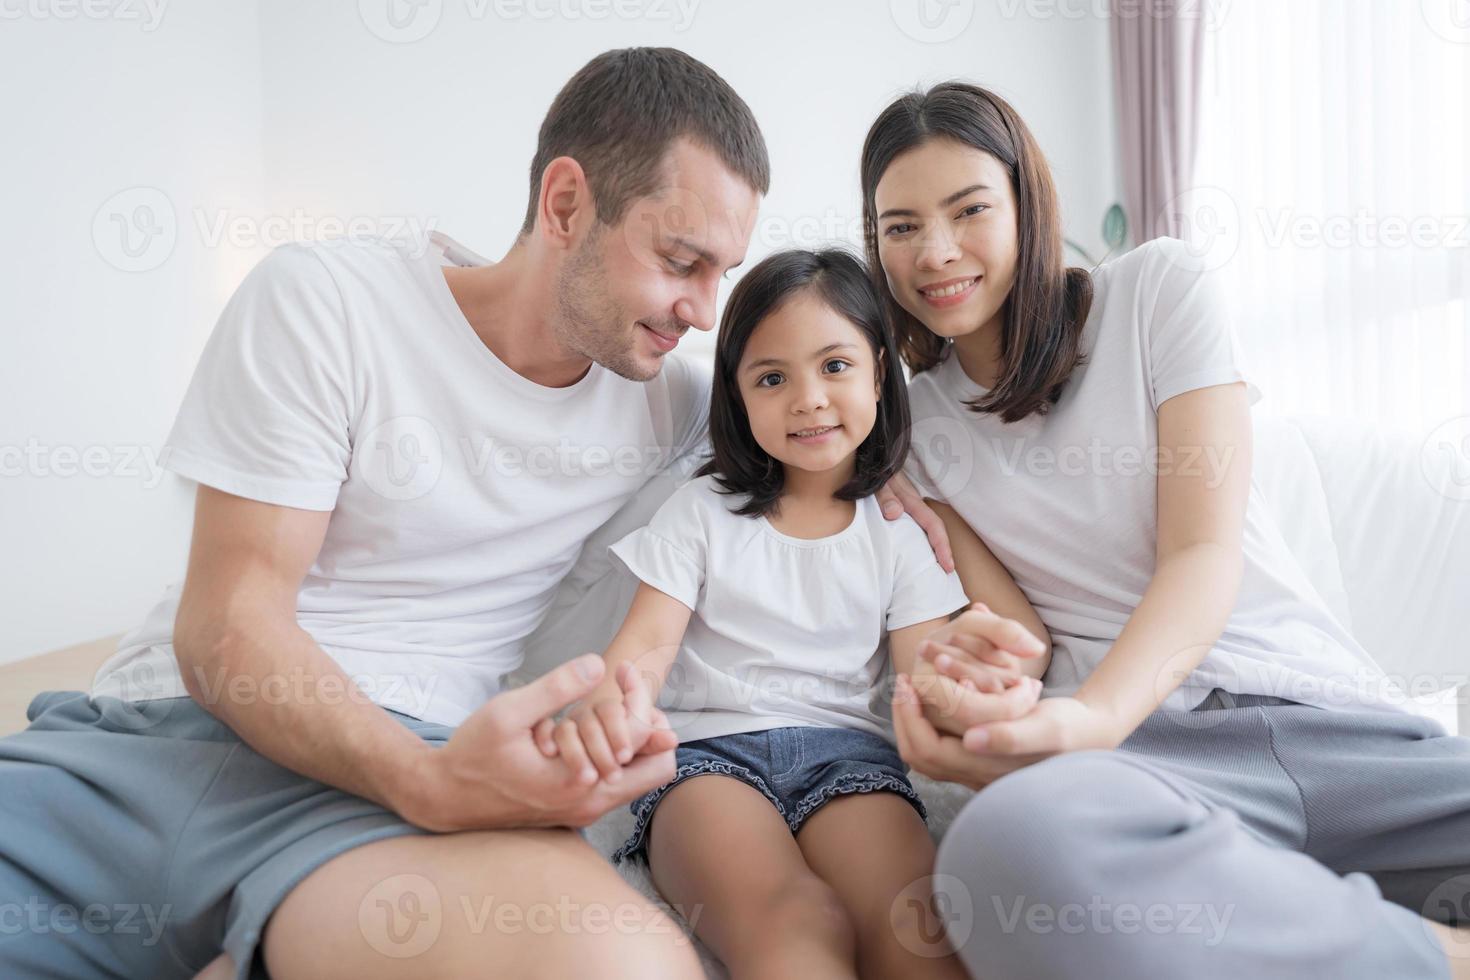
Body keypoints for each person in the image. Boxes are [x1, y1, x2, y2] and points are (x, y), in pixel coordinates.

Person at [0, 49, 952, 980]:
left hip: (380, 810)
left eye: (722, 272)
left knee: (625, 964)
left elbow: (806, 423)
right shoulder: (327, 302)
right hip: (166, 739)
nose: (704, 310)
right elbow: (229, 625)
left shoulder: (666, 397)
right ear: (567, 203)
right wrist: (436, 785)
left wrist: (886, 472)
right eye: (680, 261)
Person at [859, 81, 1470, 979]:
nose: (936, 251)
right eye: (900, 226)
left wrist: (1087, 721)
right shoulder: (910, 430)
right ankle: (1432, 952)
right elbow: (1018, 639)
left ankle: (1322, 928)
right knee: (1001, 856)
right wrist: (974, 711)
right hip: (1151, 774)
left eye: (969, 209)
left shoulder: (1155, 291)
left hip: (1322, 723)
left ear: (1027, 204)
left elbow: (1202, 551)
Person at [541, 248, 1050, 979]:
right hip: (707, 764)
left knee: (914, 929)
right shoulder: (701, 512)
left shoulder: (900, 530)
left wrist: (968, 678)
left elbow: (923, 685)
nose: (808, 398)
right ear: (739, 396)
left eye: (835, 367)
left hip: (853, 764)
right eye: (773, 378)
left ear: (880, 370)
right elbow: (642, 652)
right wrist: (606, 716)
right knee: (795, 923)